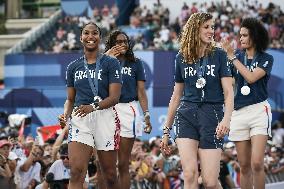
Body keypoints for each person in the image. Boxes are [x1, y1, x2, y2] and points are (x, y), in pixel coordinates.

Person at [160, 12, 234, 189]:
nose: (211, 31)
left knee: (209, 182)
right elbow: (176, 95)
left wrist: (226, 119)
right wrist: (166, 131)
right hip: (186, 115)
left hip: (212, 115)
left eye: (212, 27)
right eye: (206, 27)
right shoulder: (181, 57)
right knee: (189, 174)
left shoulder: (219, 55)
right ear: (195, 29)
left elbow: (229, 92)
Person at [58, 22, 122, 189]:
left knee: (109, 175)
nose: (90, 36)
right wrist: (66, 114)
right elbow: (70, 99)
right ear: (81, 38)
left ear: (99, 37)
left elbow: (115, 97)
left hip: (105, 117)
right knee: (76, 172)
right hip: (80, 119)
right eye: (86, 33)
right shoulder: (73, 67)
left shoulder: (111, 63)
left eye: (94, 33)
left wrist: (93, 107)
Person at [221, 17, 273, 189]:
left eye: (244, 35)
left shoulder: (266, 58)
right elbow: (229, 84)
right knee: (244, 166)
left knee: (257, 163)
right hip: (238, 113)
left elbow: (251, 78)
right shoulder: (235, 57)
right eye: (240, 35)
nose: (240, 38)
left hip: (259, 111)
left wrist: (231, 58)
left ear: (255, 36)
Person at [103, 29, 152, 189]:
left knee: (123, 163)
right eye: (118, 42)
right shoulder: (103, 61)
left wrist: (146, 115)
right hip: (107, 108)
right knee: (102, 163)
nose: (123, 44)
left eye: (125, 41)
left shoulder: (136, 63)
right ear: (111, 44)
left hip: (127, 110)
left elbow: (141, 92)